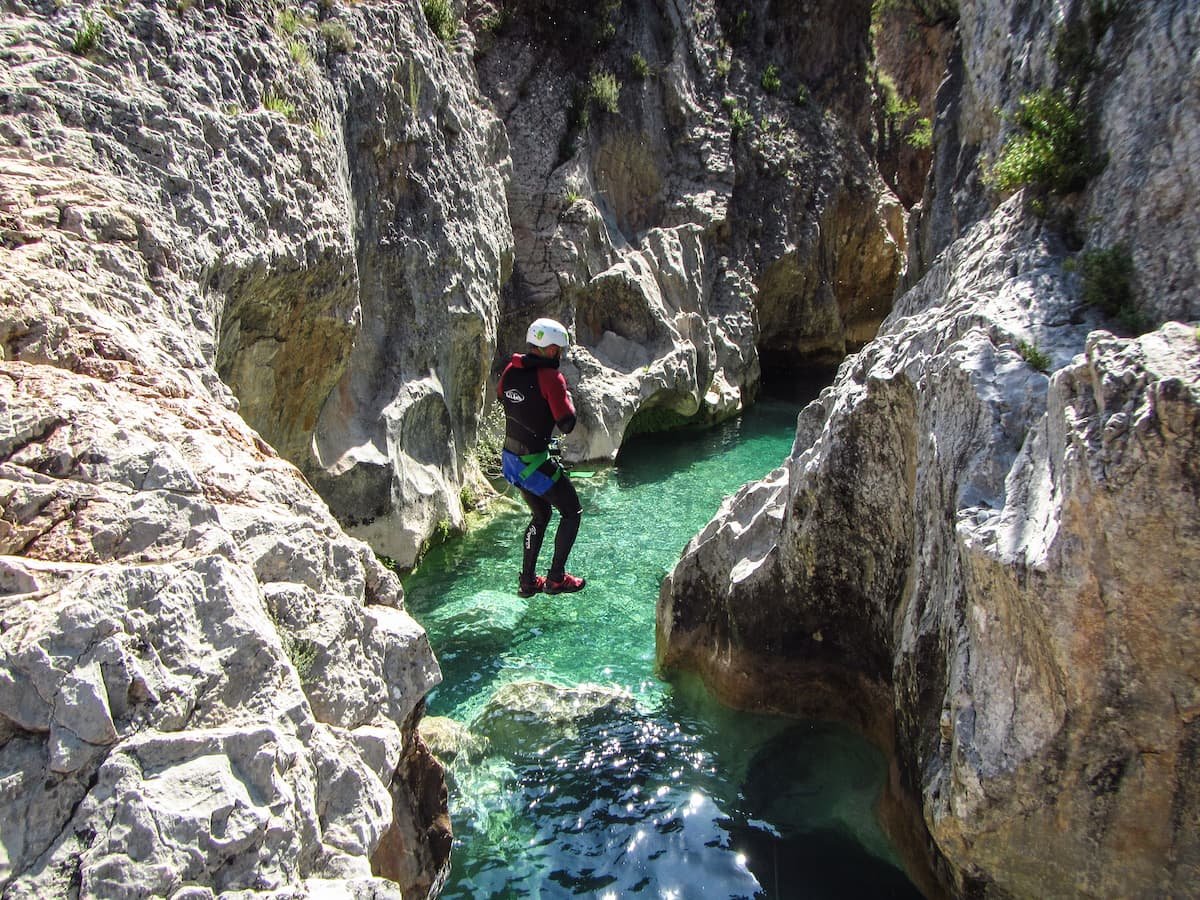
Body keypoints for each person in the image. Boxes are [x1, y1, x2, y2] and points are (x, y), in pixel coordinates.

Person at [497, 317, 586, 597]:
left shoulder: (510, 370)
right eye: (558, 349)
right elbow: (567, 423)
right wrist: (565, 398)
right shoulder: (551, 378)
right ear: (549, 349)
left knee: (541, 514)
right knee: (572, 512)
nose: (559, 355)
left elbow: (504, 397)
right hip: (534, 464)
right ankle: (556, 578)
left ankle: (527, 581)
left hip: (511, 461)